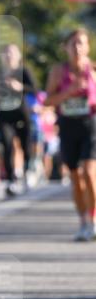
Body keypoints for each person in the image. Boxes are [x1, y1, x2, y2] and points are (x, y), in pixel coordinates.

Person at [45, 27, 96, 241]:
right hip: (67, 126)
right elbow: (47, 101)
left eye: (81, 43)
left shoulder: (93, 71)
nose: (77, 47)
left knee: (89, 173)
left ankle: (93, 221)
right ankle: (83, 222)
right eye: (73, 43)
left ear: (88, 47)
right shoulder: (58, 71)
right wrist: (69, 91)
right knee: (76, 178)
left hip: (90, 126)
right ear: (65, 47)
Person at [0, 42, 37, 197]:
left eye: (12, 52)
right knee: (6, 144)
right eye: (6, 53)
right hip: (4, 114)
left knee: (25, 144)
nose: (9, 55)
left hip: (21, 113)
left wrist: (20, 87)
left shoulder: (23, 71)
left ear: (18, 55)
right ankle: (11, 180)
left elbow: (34, 89)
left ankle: (27, 173)